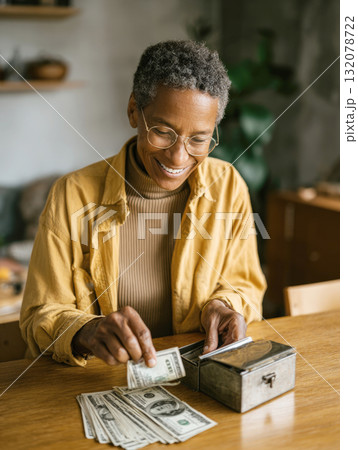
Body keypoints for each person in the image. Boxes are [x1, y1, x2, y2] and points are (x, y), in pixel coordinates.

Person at [20, 40, 266, 368]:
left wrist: (222, 305)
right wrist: (87, 330)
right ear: (134, 110)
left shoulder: (228, 185)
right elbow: (40, 313)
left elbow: (245, 284)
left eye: (199, 139)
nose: (178, 157)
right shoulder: (73, 194)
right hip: (91, 380)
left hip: (193, 377)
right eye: (163, 132)